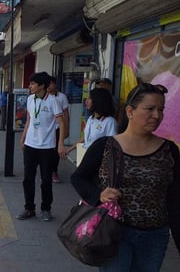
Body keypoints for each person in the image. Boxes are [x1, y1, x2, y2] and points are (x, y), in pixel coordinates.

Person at [71, 83, 180, 272]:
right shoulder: (106, 146)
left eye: (161, 109)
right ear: (130, 111)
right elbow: (78, 177)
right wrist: (99, 195)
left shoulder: (169, 150)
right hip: (113, 232)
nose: (157, 115)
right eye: (150, 109)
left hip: (154, 237)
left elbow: (175, 198)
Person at [17, 72, 67, 222]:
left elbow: (61, 123)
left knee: (46, 180)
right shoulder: (30, 99)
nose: (30, 86)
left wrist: (60, 144)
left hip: (47, 147)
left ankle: (46, 209)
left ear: (42, 86)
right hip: (30, 145)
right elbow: (29, 120)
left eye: (32, 84)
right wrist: (23, 137)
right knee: (28, 178)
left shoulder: (53, 101)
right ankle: (29, 208)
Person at [66, 88, 117, 156]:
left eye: (89, 98)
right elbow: (85, 138)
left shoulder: (110, 122)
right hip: (86, 155)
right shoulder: (90, 119)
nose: (86, 101)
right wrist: (69, 149)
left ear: (98, 101)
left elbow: (112, 145)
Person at [48, 76, 69, 183]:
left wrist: (67, 128)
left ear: (55, 84)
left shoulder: (62, 97)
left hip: (57, 128)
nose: (49, 86)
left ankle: (54, 171)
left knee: (55, 151)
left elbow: (66, 114)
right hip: (46, 129)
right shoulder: (43, 97)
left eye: (51, 83)